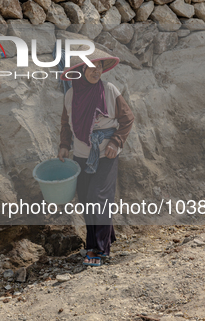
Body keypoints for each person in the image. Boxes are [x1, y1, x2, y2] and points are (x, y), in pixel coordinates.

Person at [57, 49, 134, 267]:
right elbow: (66, 124)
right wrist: (64, 146)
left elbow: (128, 118)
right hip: (81, 155)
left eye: (100, 67)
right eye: (92, 66)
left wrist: (116, 142)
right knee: (86, 199)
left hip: (106, 155)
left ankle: (99, 250)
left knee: (98, 198)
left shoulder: (109, 90)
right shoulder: (71, 95)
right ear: (81, 70)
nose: (97, 71)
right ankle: (100, 240)